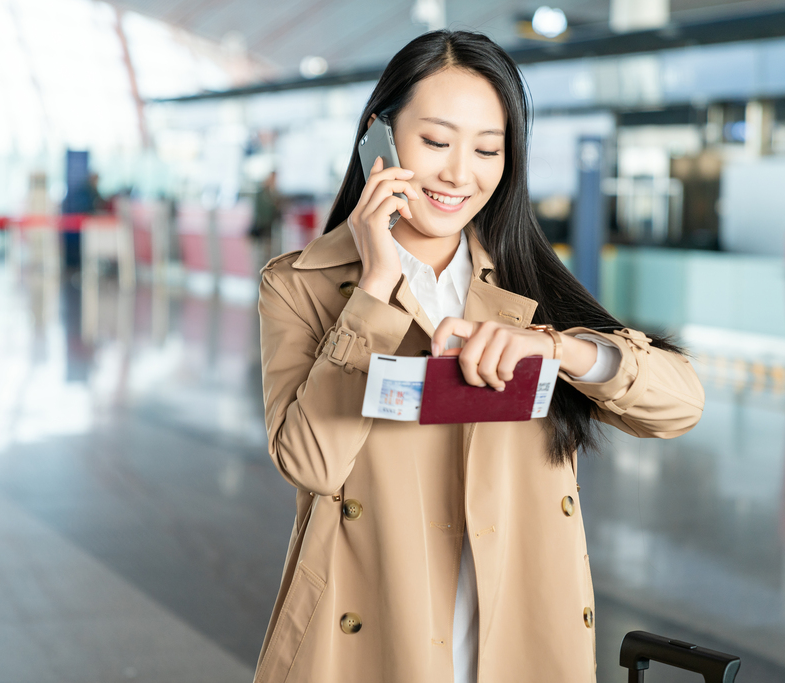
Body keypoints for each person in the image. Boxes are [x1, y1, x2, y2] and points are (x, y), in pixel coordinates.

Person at [255, 31, 704, 683]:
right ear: (378, 137)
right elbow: (310, 462)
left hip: (519, 644)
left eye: (487, 149)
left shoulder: (530, 286)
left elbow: (681, 403)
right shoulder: (301, 285)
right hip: (369, 647)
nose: (459, 174)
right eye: (435, 142)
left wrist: (558, 349)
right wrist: (375, 286)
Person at [250, 171, 282, 269]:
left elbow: (278, 211)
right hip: (262, 228)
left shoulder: (275, 194)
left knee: (271, 252)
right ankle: (261, 272)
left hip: (272, 228)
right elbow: (260, 212)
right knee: (261, 253)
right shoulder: (261, 194)